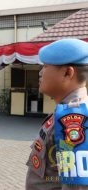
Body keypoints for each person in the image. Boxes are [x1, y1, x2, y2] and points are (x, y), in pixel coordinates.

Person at [25, 38, 88, 190]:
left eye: (45, 66)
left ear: (68, 73)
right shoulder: (68, 110)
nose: (40, 73)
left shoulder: (74, 119)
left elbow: (76, 187)